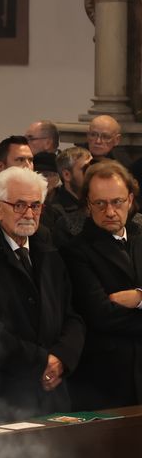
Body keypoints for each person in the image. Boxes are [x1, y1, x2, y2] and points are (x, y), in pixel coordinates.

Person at [0, 167, 85, 419]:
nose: (29, 214)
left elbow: (72, 316)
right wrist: (41, 362)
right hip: (0, 398)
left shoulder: (50, 253)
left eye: (35, 205)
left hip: (53, 393)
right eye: (19, 205)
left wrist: (61, 358)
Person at [61, 161, 142, 410]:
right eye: (100, 203)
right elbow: (101, 314)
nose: (110, 211)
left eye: (117, 202)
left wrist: (139, 298)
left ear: (130, 200)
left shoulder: (140, 238)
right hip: (107, 378)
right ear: (88, 205)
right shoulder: (76, 250)